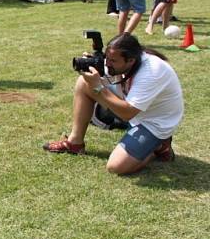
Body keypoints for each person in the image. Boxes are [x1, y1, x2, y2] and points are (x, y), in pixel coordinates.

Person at [43, 33, 182, 175]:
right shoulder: (124, 59)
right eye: (106, 58)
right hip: (134, 112)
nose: (107, 63)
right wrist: (94, 63)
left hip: (153, 123)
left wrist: (99, 87)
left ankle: (158, 146)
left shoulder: (152, 71)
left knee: (115, 167)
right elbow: (107, 76)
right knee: (84, 82)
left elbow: (127, 113)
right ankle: (75, 143)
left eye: (112, 61)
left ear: (130, 61)